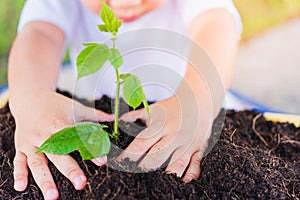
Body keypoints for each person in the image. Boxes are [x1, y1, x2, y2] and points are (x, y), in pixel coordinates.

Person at [8, 0, 242, 199]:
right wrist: (31, 97)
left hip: (200, 116)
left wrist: (197, 102)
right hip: (108, 109)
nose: (125, 2)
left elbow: (215, 22)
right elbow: (40, 33)